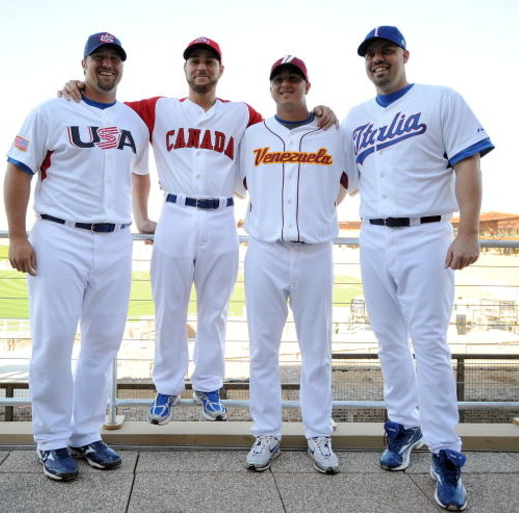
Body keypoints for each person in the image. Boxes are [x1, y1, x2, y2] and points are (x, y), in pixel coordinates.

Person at [61, 37, 336, 426]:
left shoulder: (242, 114)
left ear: (220, 70)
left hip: (222, 214)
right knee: (169, 308)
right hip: (174, 212)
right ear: (185, 68)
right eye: (194, 61)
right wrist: (76, 87)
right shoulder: (159, 108)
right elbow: (109, 106)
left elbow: (285, 123)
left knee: (215, 310)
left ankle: (208, 385)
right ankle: (167, 387)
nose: (201, 67)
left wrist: (319, 111)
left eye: (209, 61)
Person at [342, 26, 494, 511]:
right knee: (387, 339)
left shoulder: (440, 99)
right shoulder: (355, 116)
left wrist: (467, 231)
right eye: (371, 54)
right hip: (372, 235)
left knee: (428, 342)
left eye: (386, 51)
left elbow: (468, 165)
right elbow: (342, 177)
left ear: (405, 54)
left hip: (427, 233)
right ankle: (402, 425)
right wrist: (322, 118)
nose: (378, 59)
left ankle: (446, 451)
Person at [4, 32, 150, 482]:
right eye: (99, 58)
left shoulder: (134, 121)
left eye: (115, 59)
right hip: (58, 235)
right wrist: (16, 235)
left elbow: (140, 171)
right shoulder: (50, 110)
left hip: (114, 240)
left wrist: (142, 219)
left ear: (122, 66)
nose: (108, 65)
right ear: (84, 63)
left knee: (103, 341)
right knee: (53, 341)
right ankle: (50, 440)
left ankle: (86, 432)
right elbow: (17, 171)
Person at [237, 56, 354, 474]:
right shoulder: (252, 135)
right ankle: (267, 432)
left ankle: (318, 432)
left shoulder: (335, 132)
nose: (286, 85)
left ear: (308, 84)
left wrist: (319, 211)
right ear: (270, 88)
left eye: (293, 78)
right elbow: (241, 185)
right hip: (265, 251)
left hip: (315, 252)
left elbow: (348, 183)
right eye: (279, 80)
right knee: (261, 351)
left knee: (317, 352)